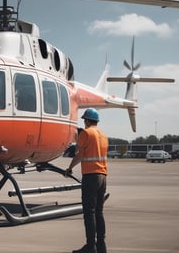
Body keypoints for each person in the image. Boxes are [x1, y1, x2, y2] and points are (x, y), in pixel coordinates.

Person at [66, 108, 108, 253]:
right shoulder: (103, 135)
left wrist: (69, 168)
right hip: (103, 176)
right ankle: (101, 246)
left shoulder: (86, 133)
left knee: (89, 213)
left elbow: (79, 154)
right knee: (99, 212)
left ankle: (90, 246)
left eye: (85, 120)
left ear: (88, 120)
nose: (84, 122)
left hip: (91, 176)